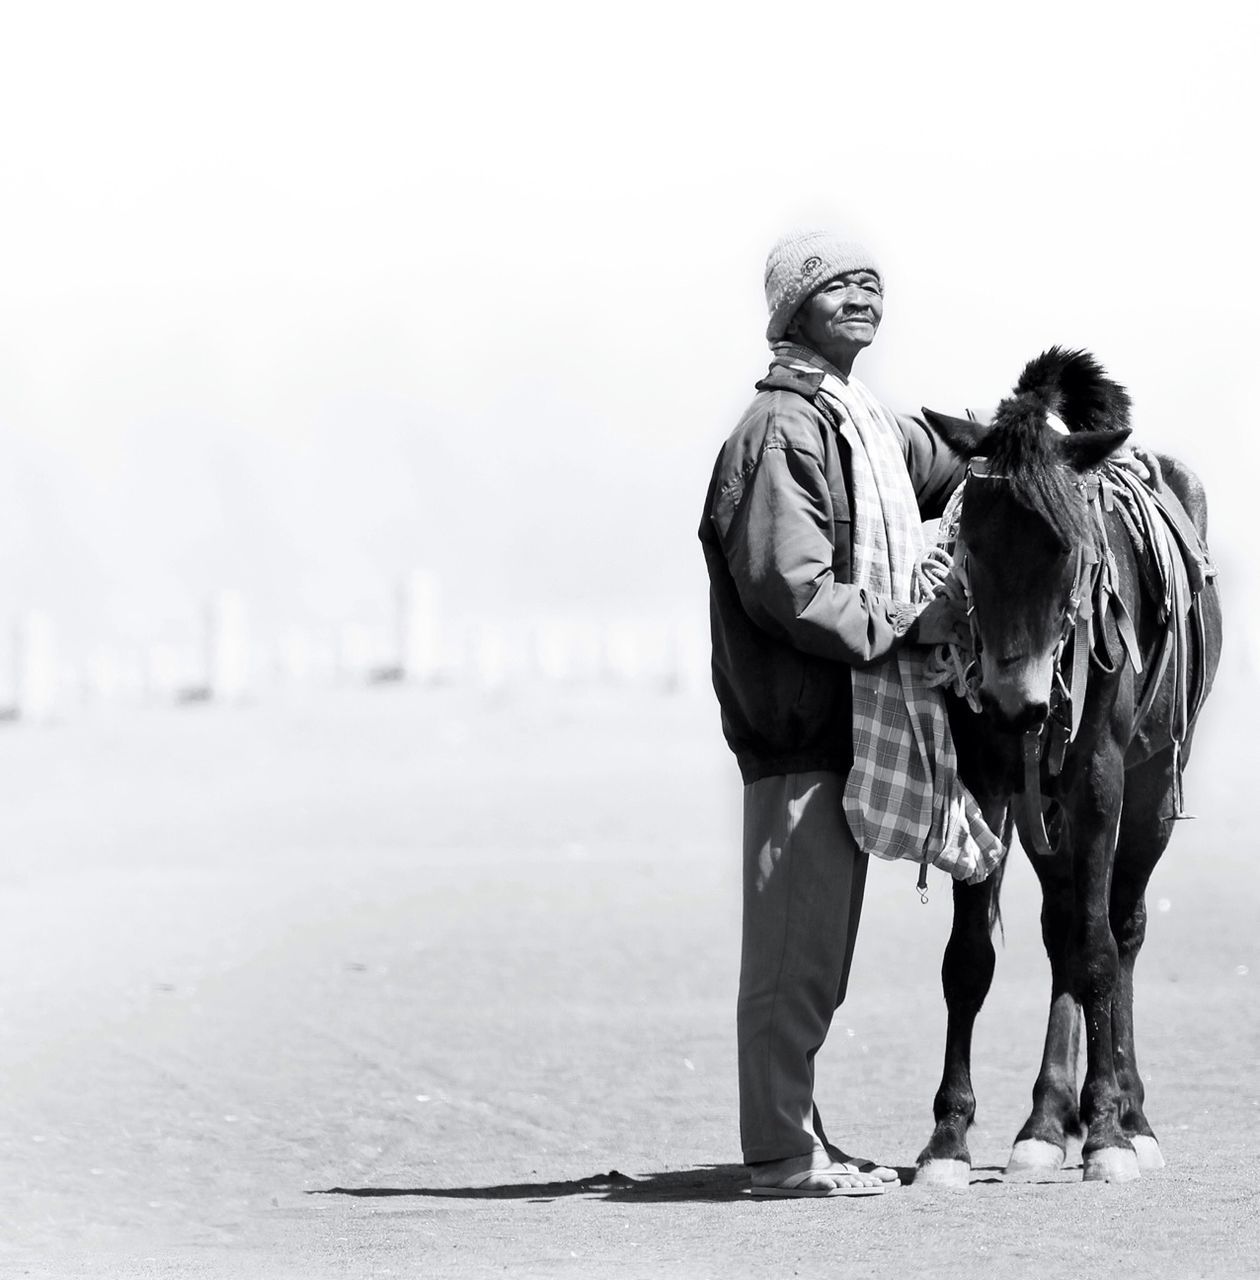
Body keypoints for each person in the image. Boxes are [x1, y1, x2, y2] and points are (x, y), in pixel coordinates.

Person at [698, 229, 985, 1198]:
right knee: (793, 953)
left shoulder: (860, 420)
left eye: (874, 280)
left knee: (817, 951)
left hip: (847, 720)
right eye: (836, 283)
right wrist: (912, 619)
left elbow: (942, 459)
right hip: (801, 720)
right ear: (790, 309)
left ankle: (800, 1134)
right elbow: (791, 585)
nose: (863, 292)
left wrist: (1021, 435)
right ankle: (781, 1151)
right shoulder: (786, 428)